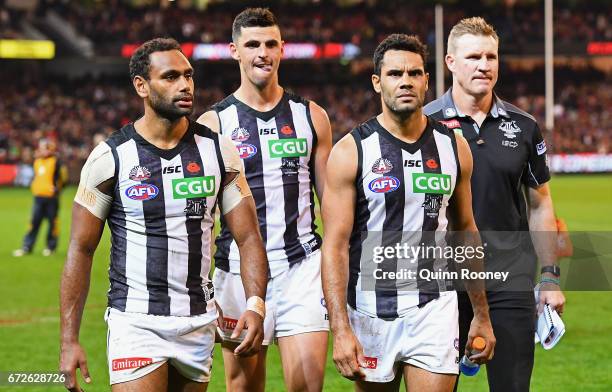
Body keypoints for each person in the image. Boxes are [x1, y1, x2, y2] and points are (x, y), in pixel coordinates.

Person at [59, 38, 268, 392]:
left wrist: (255, 304)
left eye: (188, 75)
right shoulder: (110, 157)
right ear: (141, 86)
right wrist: (69, 341)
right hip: (137, 322)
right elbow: (81, 249)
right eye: (170, 77)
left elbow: (248, 237)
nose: (185, 85)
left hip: (198, 321)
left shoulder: (219, 151)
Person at [321, 34, 495, 392]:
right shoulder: (351, 151)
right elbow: (335, 245)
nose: (406, 81)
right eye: (395, 73)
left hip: (434, 306)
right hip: (369, 309)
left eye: (415, 73)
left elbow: (465, 230)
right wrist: (339, 328)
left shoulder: (453, 147)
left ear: (427, 81)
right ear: (377, 82)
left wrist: (480, 313)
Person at [423, 17, 566, 392]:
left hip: (510, 280)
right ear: (451, 62)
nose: (484, 65)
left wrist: (549, 276)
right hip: (441, 283)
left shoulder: (523, 126)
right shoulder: (423, 125)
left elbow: (540, 205)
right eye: (473, 57)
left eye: (491, 56)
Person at [197, 8, 332, 392]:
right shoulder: (213, 125)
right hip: (236, 270)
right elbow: (203, 216)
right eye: (252, 44)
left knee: (307, 386)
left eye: (271, 43)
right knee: (243, 387)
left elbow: (332, 204)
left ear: (282, 49)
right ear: (234, 51)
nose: (263, 52)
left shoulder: (312, 117)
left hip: (301, 267)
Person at [13, 138, 68, 257]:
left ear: (50, 149)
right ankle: (27, 247)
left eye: (43, 147)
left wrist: (57, 189)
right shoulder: (37, 162)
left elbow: (63, 179)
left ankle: (50, 247)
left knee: (53, 223)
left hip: (51, 198)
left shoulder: (56, 162)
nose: (40, 150)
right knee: (33, 223)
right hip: (38, 197)